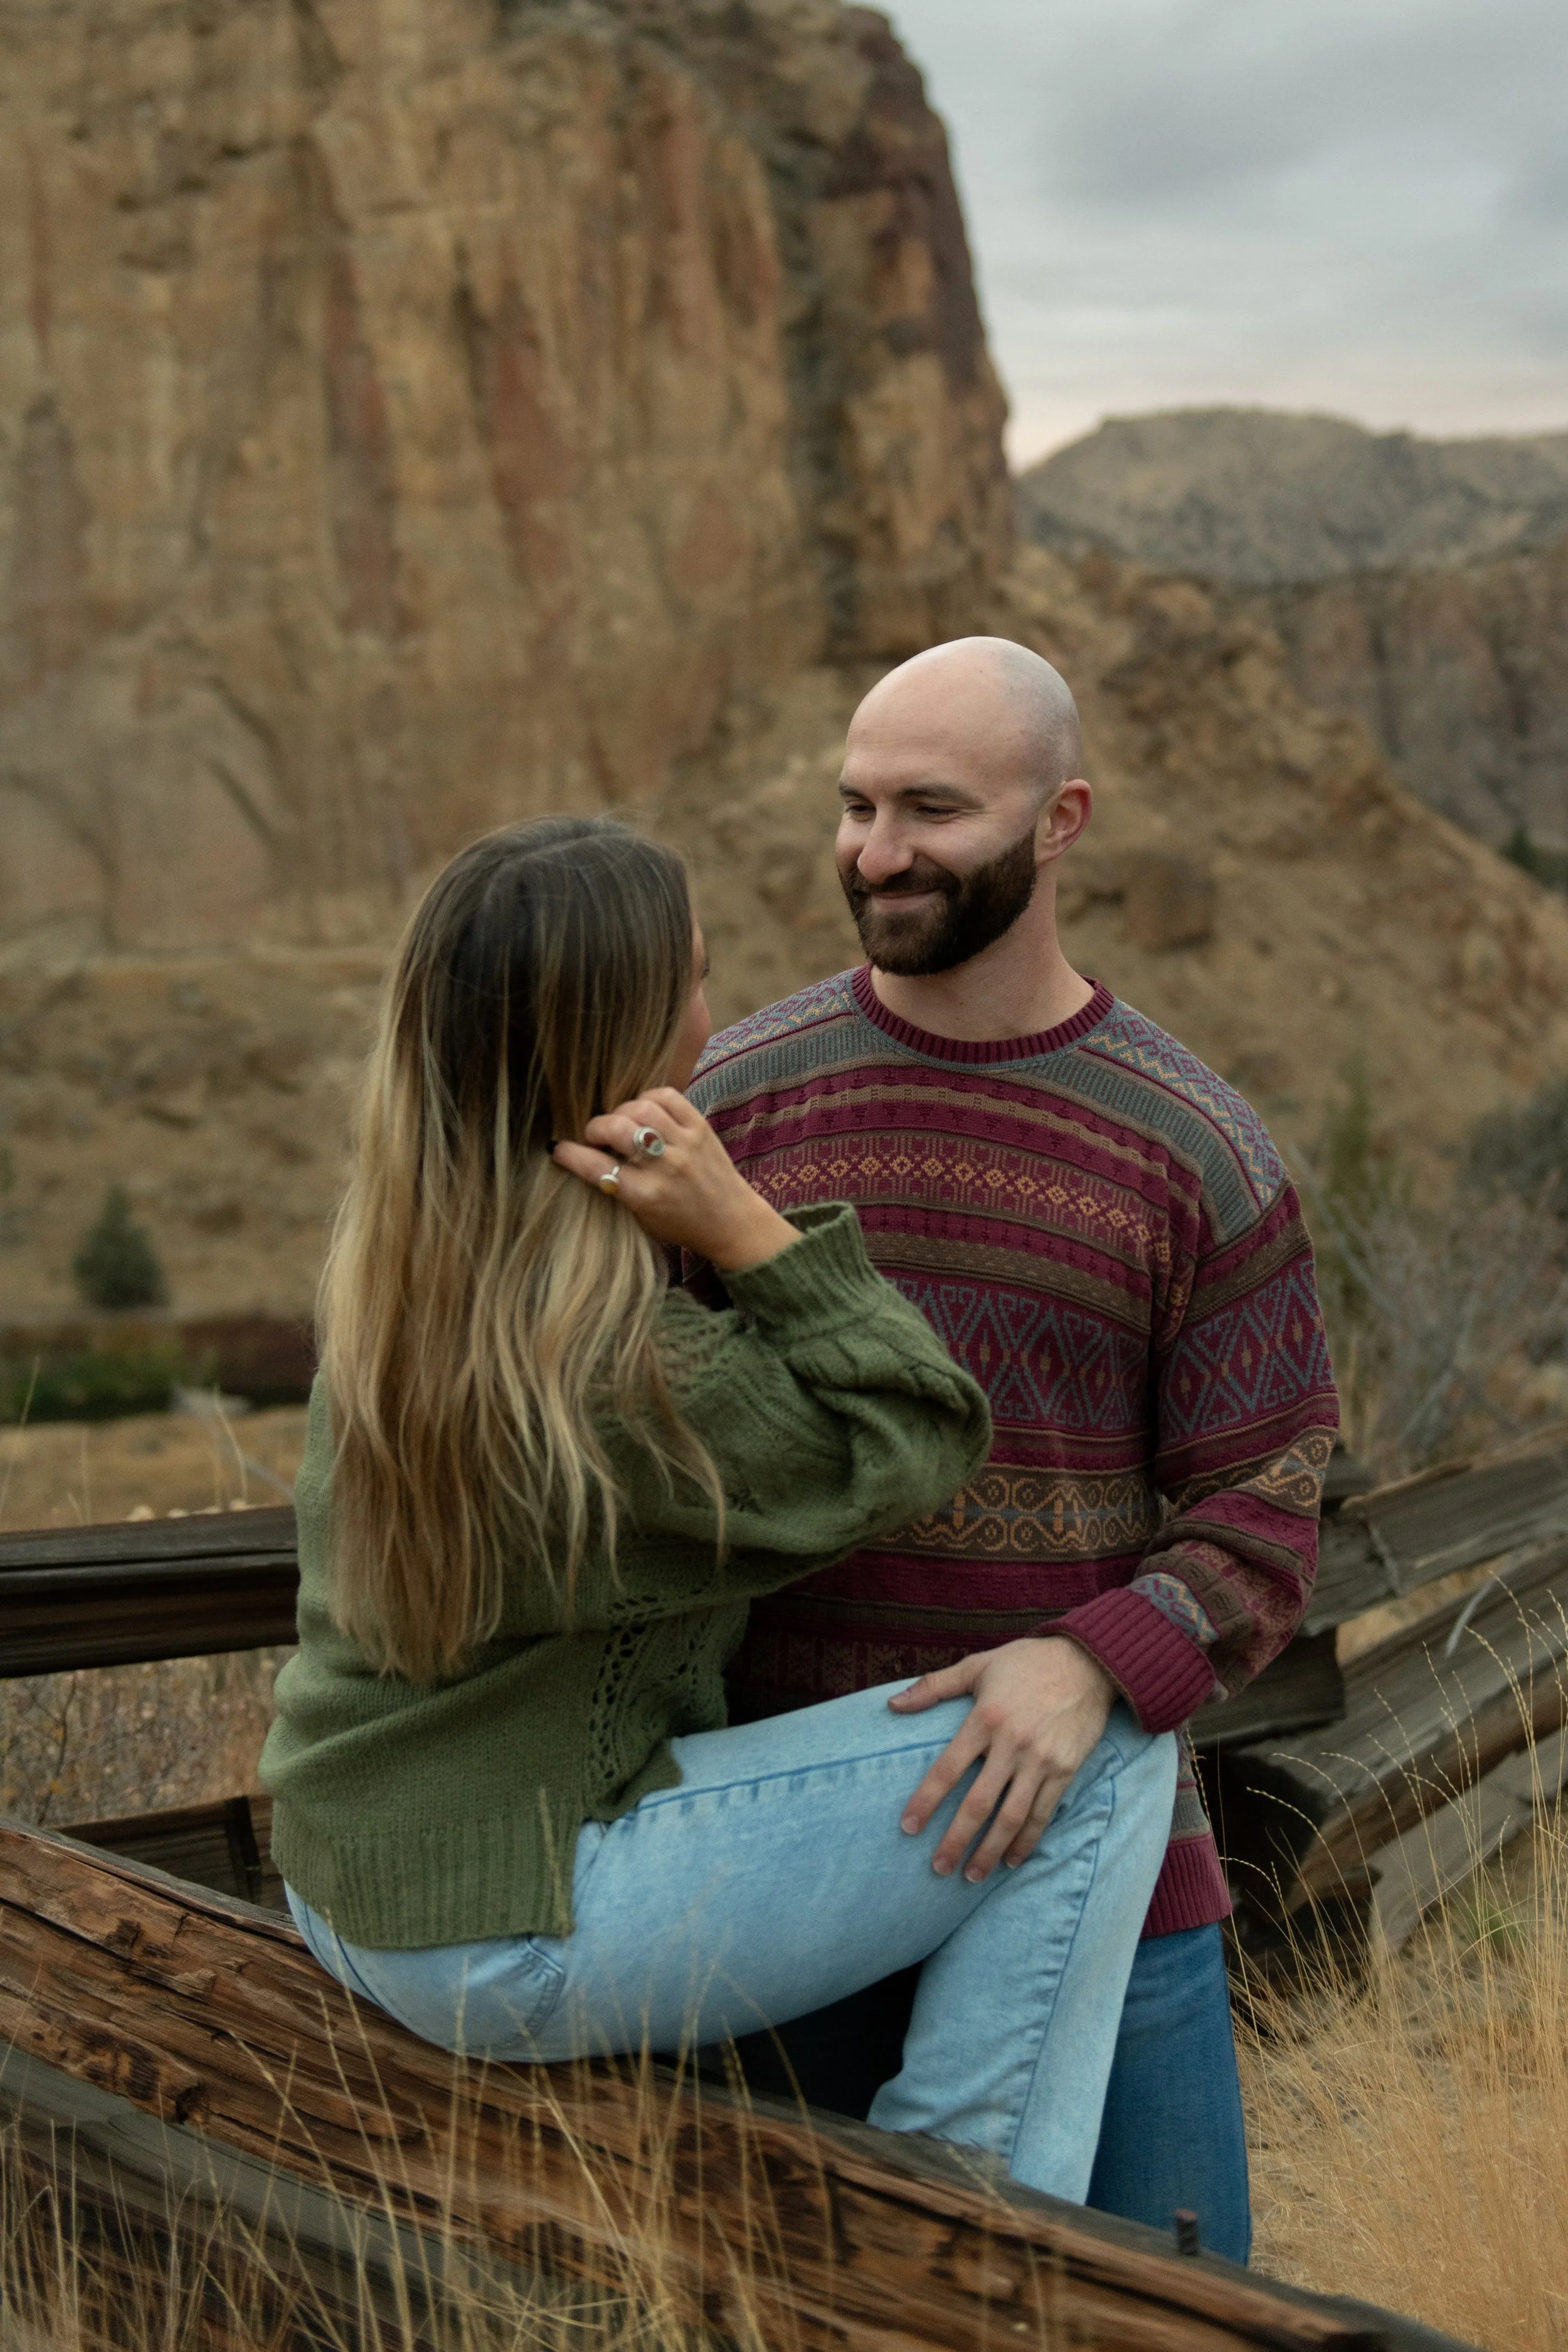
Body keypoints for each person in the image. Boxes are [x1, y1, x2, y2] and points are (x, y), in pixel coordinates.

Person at [261, 813, 1179, 2202]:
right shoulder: (615, 1369)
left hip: (363, 1882)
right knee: (1099, 1740)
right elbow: (921, 1430)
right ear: (618, 1043)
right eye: (691, 981)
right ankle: (968, 2230)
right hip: (496, 1926)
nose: (713, 1015)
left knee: (1059, 1734)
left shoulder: (414, 1271)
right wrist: (747, 1228)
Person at [685, 640, 1340, 2262]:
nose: (875, 849)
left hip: (1105, 1889)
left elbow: (1266, 1503)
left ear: (1059, 820)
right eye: (853, 804)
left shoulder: (1193, 1142)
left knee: (1178, 2310)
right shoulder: (731, 1107)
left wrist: (1089, 1662)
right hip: (773, 1890)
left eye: (929, 808)